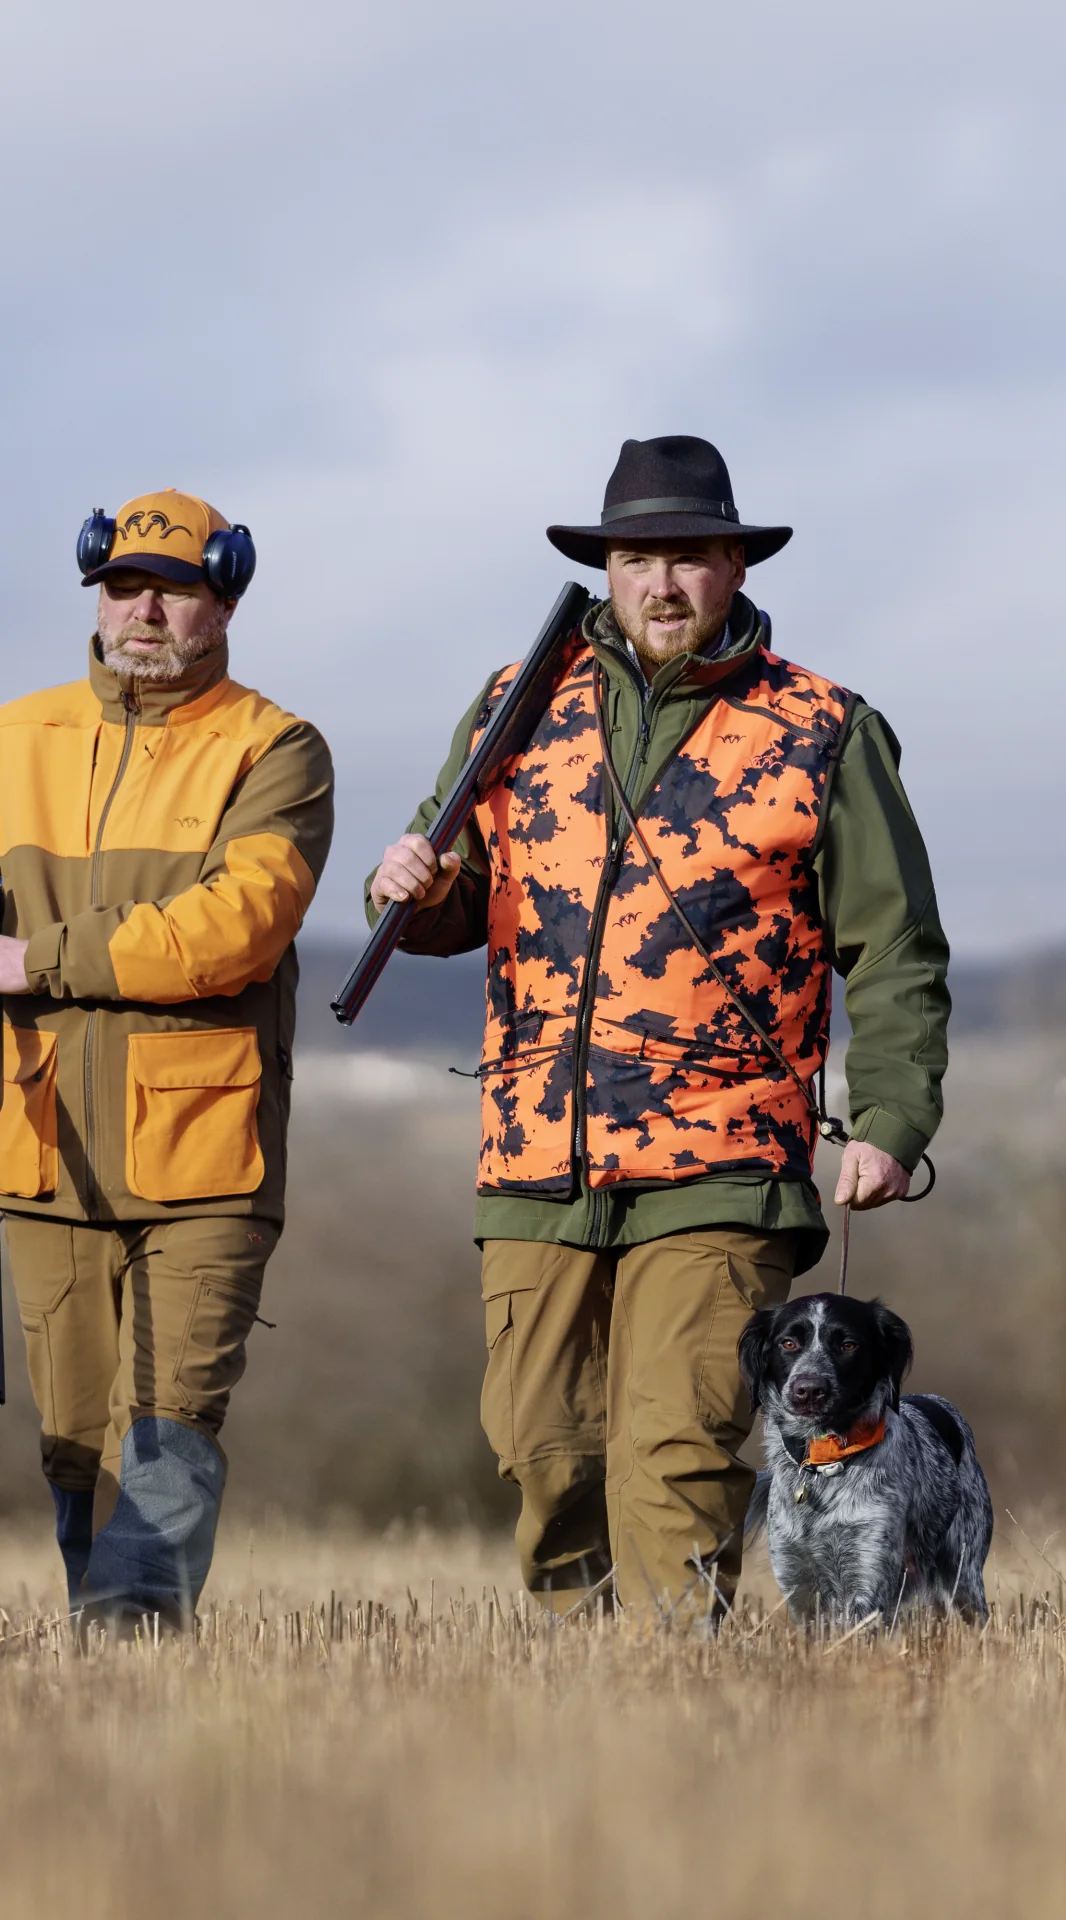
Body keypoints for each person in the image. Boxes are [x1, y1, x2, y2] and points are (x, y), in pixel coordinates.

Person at [370, 434, 949, 1620]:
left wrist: (889, 1117)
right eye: (638, 559)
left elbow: (892, 949)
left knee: (675, 1454)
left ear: (735, 565)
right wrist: (409, 889)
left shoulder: (824, 728)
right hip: (536, 1154)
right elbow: (450, 898)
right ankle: (583, 1719)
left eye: (690, 557)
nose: (663, 585)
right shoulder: (514, 703)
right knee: (541, 1446)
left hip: (723, 1161)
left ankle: (675, 1711)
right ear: (608, 568)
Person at [0, 490, 334, 1626]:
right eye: (123, 586)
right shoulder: (14, 737)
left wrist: (38, 958)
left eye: (176, 589)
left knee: (166, 1432)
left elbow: (236, 929)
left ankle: (137, 1651)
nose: (144, 610)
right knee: (74, 1448)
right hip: (42, 1150)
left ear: (223, 600)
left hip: (206, 1155)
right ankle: (110, 1694)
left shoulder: (276, 749)